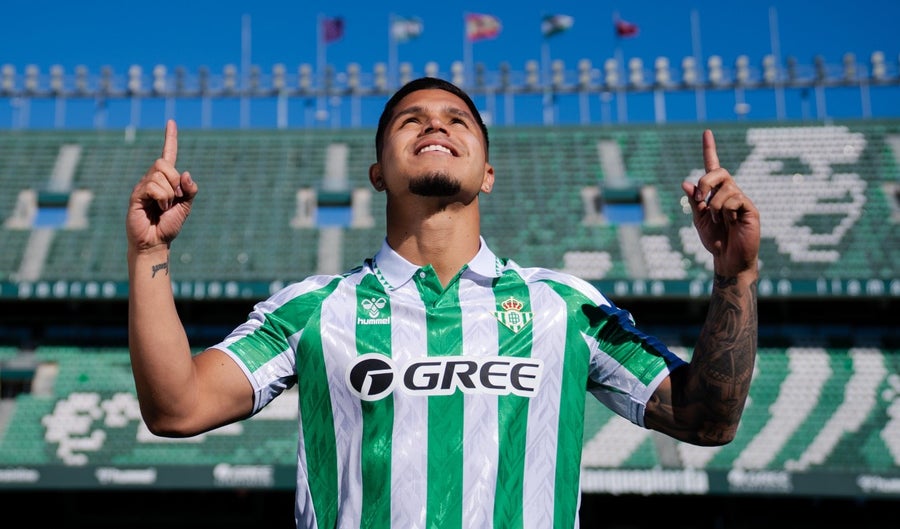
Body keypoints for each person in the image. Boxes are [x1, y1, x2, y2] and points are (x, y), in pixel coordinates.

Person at [126, 76, 760, 528]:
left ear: (488, 173)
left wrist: (735, 276)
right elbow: (177, 408)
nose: (436, 124)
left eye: (458, 120)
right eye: (411, 120)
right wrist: (149, 253)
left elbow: (707, 420)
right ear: (377, 173)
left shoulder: (564, 307)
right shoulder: (313, 309)